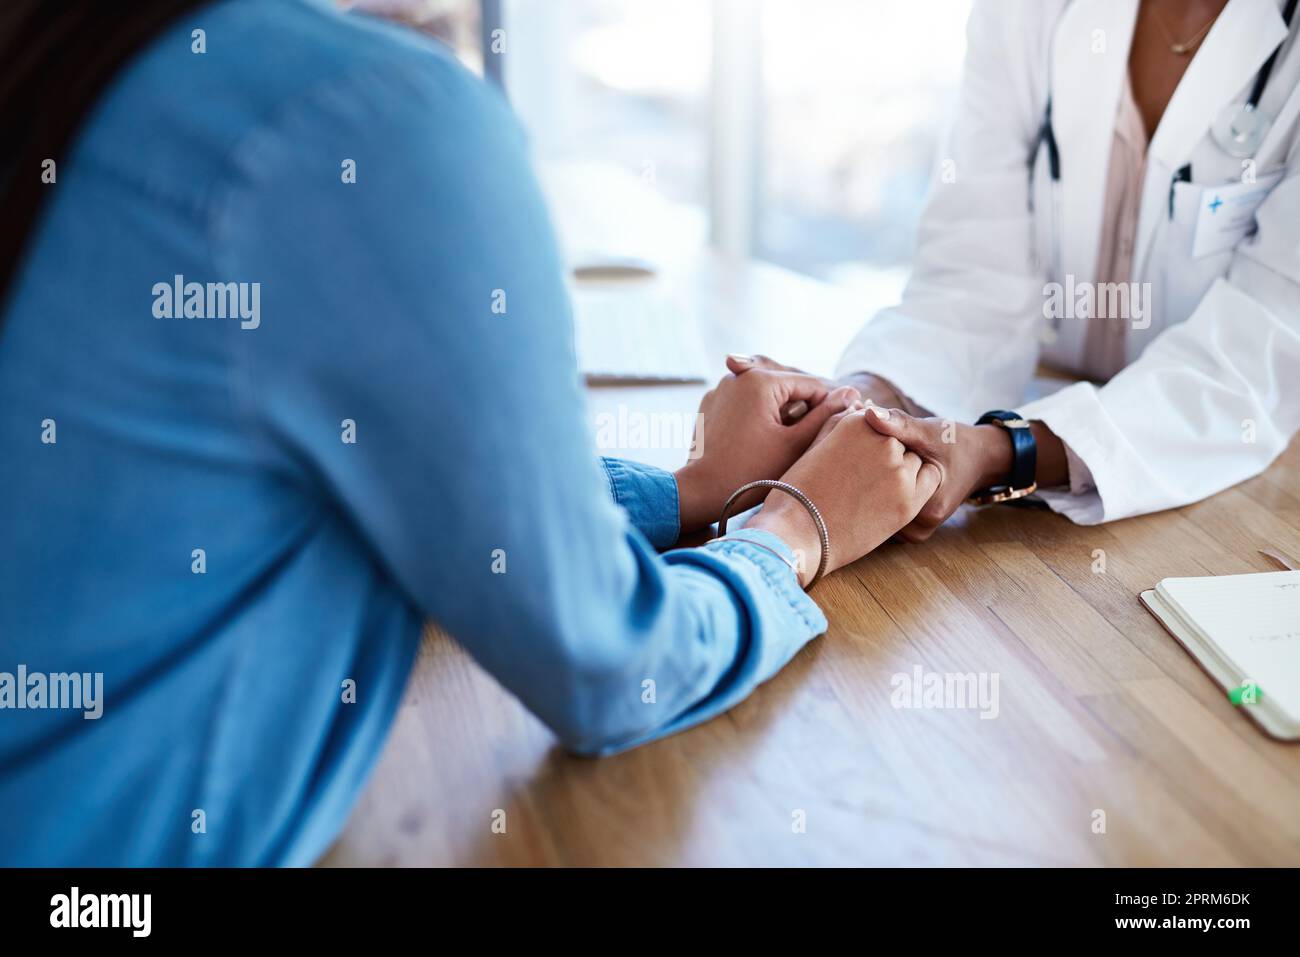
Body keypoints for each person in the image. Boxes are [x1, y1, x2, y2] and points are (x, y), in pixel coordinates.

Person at [0, 0, 938, 865]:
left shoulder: (77, 56)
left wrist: (690, 494)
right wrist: (796, 528)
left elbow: (368, 490)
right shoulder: (373, 118)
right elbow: (610, 668)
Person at [770, 0, 1300, 539]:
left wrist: (1001, 452)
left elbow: (1259, 354)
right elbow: (970, 279)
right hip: (1031, 416)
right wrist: (860, 401)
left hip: (1229, 490)